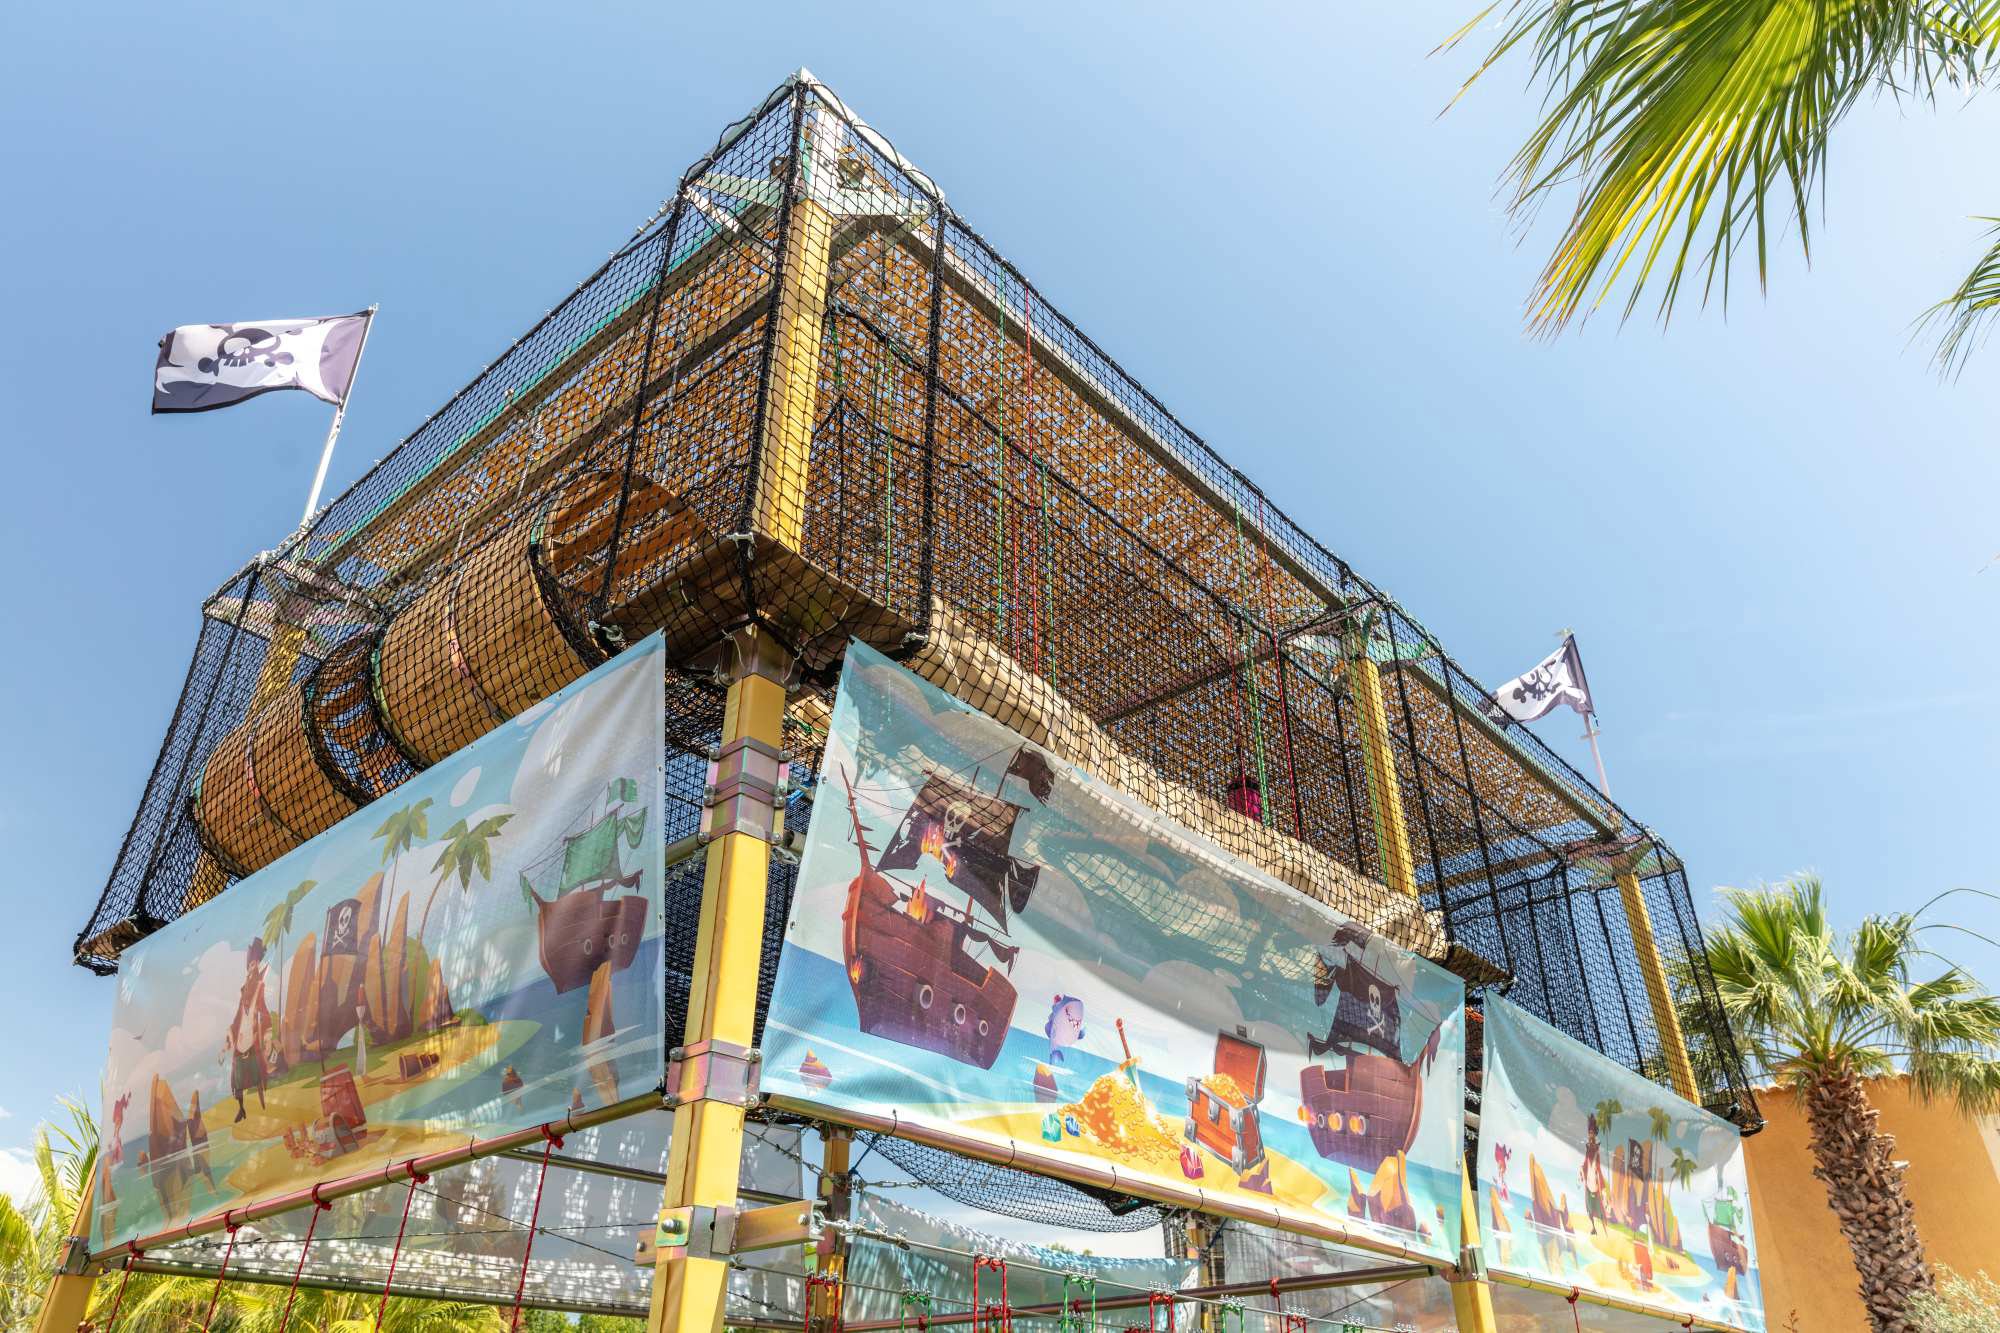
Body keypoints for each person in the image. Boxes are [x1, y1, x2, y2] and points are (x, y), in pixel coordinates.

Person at [226, 939, 273, 1122]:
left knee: (257, 1075)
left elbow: (265, 1012)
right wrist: (229, 1036)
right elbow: (237, 1018)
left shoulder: (258, 987)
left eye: (255, 964)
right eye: (250, 964)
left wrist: (267, 1036)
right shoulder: (243, 994)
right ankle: (241, 1109)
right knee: (237, 1081)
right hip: (240, 1043)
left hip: (252, 1042)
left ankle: (264, 1104)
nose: (252, 967)